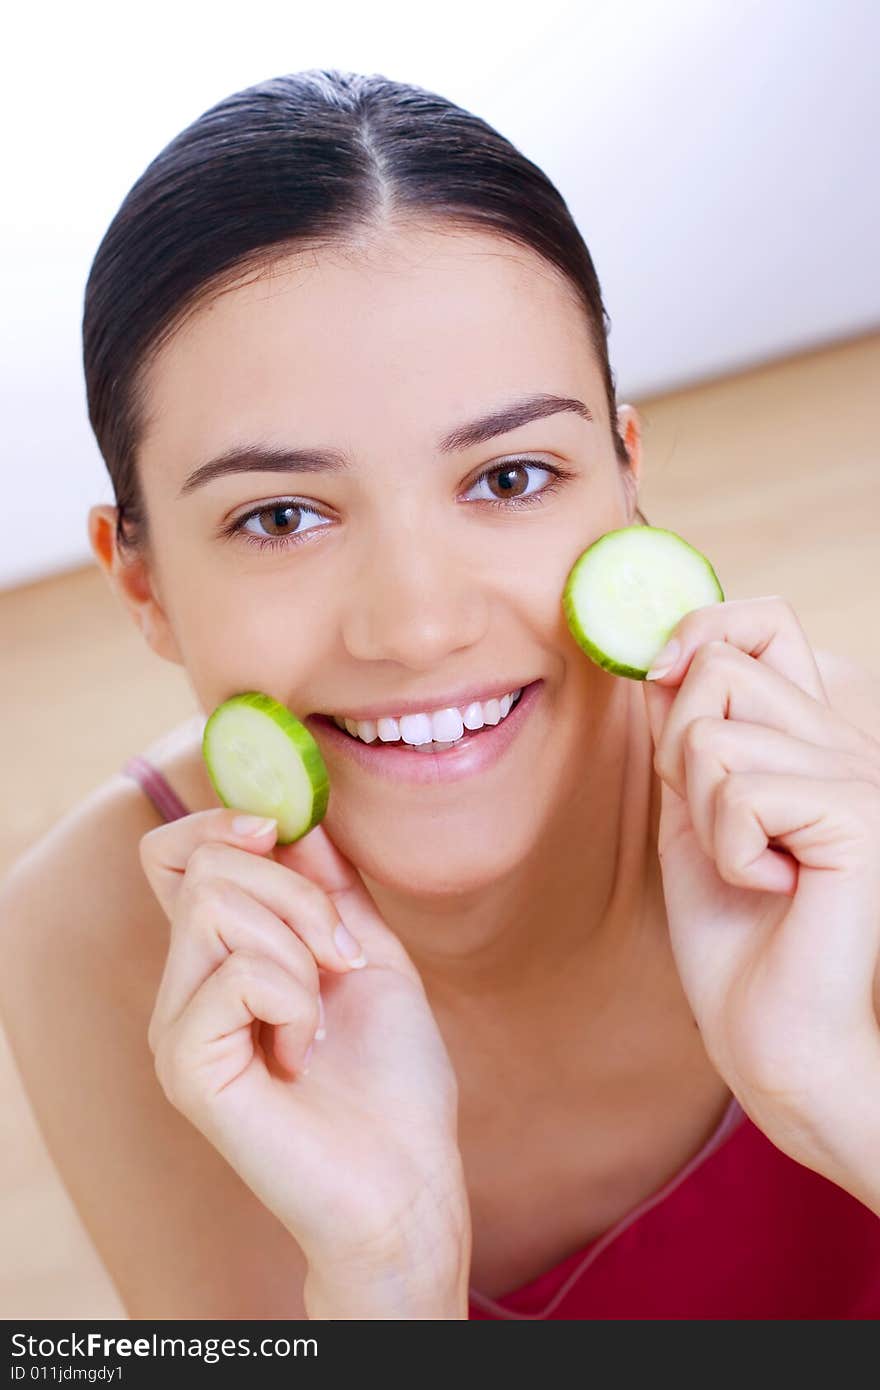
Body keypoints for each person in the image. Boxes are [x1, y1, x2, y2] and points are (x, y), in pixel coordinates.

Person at [1, 69, 879, 1321]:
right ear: (137, 579)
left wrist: (842, 1089)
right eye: (281, 515)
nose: (419, 625)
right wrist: (386, 1275)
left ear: (626, 475)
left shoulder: (839, 793)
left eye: (512, 477)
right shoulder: (97, 946)